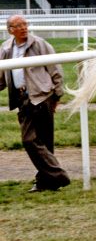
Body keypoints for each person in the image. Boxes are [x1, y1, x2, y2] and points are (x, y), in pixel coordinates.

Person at [0, 15, 70, 192]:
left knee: (45, 141)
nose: (24, 27)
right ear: (10, 30)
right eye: (19, 25)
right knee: (29, 140)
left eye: (25, 24)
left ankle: (46, 181)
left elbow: (55, 69)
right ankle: (58, 176)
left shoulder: (40, 44)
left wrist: (57, 95)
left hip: (43, 96)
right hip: (22, 99)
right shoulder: (6, 49)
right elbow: (1, 77)